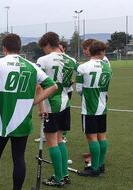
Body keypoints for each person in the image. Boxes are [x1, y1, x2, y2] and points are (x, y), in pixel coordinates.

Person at [0, 33, 57, 190]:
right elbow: (53, 86)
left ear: (4, 48)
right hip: (22, 120)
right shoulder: (31, 66)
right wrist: (34, 102)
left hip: (1, 121)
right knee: (18, 158)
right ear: (19, 47)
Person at [36, 32, 78, 187]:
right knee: (60, 140)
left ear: (47, 44)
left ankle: (58, 178)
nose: (44, 50)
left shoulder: (43, 60)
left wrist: (41, 107)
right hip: (65, 103)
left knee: (52, 141)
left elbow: (38, 85)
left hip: (50, 105)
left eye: (43, 47)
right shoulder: (71, 60)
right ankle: (64, 175)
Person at [76, 40, 112, 177]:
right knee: (102, 135)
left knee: (92, 137)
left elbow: (79, 90)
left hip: (89, 108)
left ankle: (94, 168)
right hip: (102, 106)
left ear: (90, 51)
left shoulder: (82, 67)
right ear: (102, 52)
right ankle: (101, 165)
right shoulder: (108, 67)